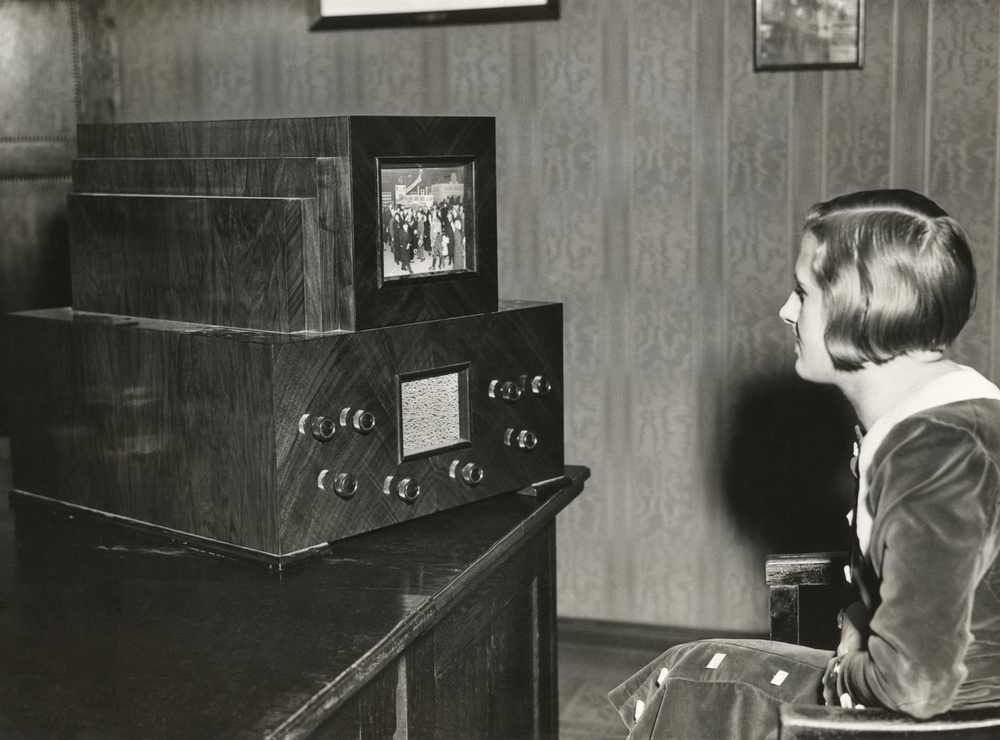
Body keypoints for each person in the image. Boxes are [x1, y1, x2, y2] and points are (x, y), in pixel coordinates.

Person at [609, 189, 1000, 739]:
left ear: (858, 308)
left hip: (949, 726)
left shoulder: (933, 456)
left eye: (802, 292)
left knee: (695, 686)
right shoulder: (946, 412)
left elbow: (916, 684)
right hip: (943, 707)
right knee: (689, 669)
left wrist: (845, 668)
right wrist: (862, 618)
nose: (786, 311)